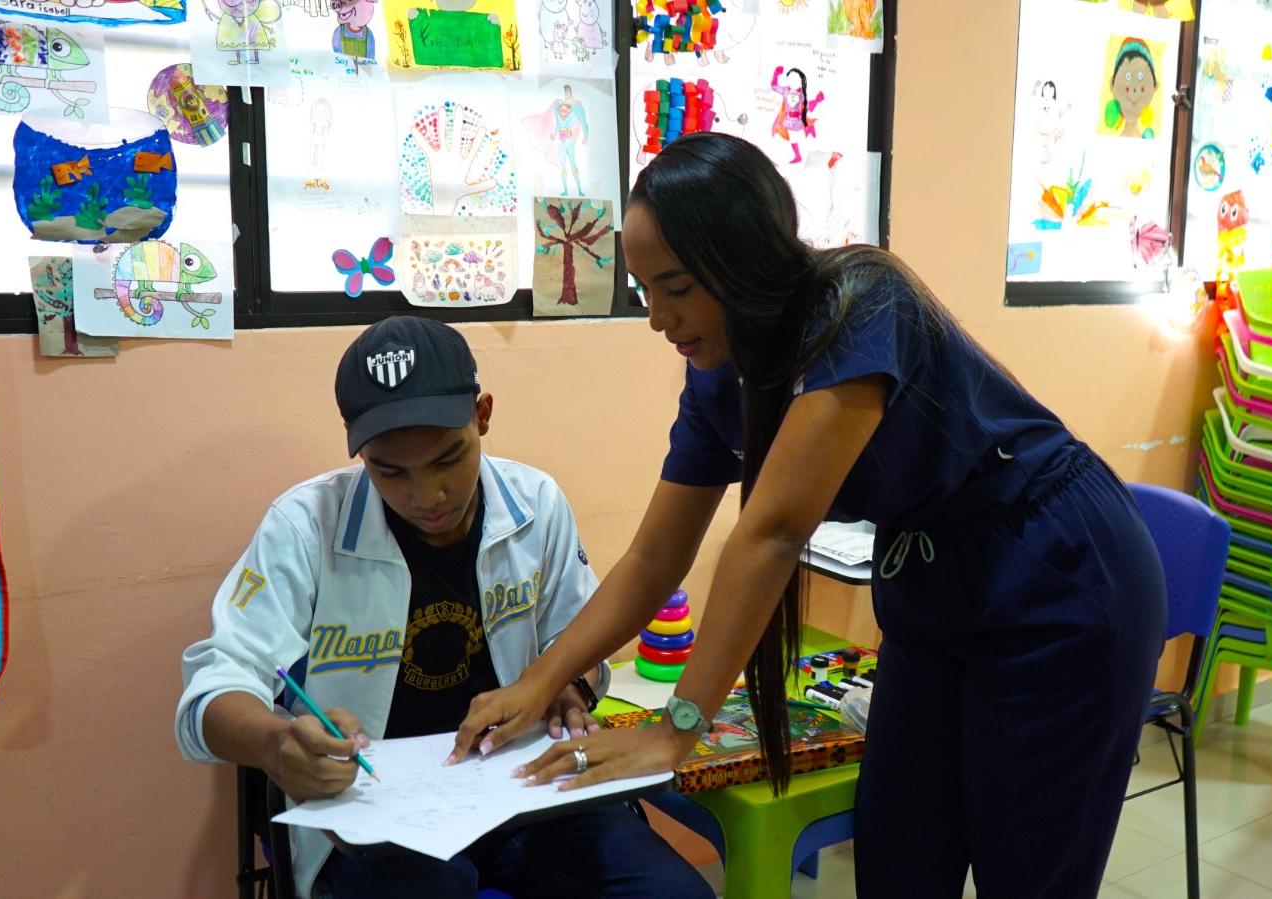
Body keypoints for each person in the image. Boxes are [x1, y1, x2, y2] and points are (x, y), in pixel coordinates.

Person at [450, 133, 1169, 897]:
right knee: (898, 863)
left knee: (1027, 872)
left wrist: (676, 729)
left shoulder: (858, 302)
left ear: (743, 261)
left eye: (678, 286)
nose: (658, 317)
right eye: (644, 289)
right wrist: (540, 677)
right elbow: (651, 560)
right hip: (935, 589)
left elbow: (773, 531)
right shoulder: (715, 381)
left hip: (1057, 573)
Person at [175, 317, 713, 899]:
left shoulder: (535, 505)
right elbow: (213, 688)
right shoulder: (305, 527)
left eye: (449, 459)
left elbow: (582, 639)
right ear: (356, 445)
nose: (427, 495)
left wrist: (570, 686)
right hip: (376, 811)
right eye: (391, 471)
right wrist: (274, 742)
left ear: (482, 415)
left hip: (524, 787)